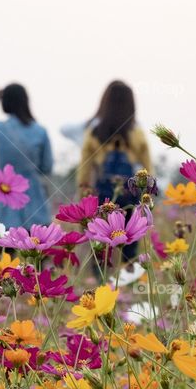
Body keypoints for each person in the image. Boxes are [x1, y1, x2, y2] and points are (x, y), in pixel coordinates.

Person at [76, 80, 152, 262]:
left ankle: (99, 284)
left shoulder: (94, 132)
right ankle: (127, 279)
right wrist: (148, 200)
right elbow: (148, 170)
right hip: (131, 196)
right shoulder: (137, 133)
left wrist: (83, 198)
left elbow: (84, 172)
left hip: (102, 197)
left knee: (100, 248)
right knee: (130, 247)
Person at [0, 84, 53, 231]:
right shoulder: (40, 131)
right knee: (36, 246)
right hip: (33, 195)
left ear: (4, 103)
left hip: (4, 194)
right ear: (26, 101)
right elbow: (46, 166)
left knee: (3, 246)